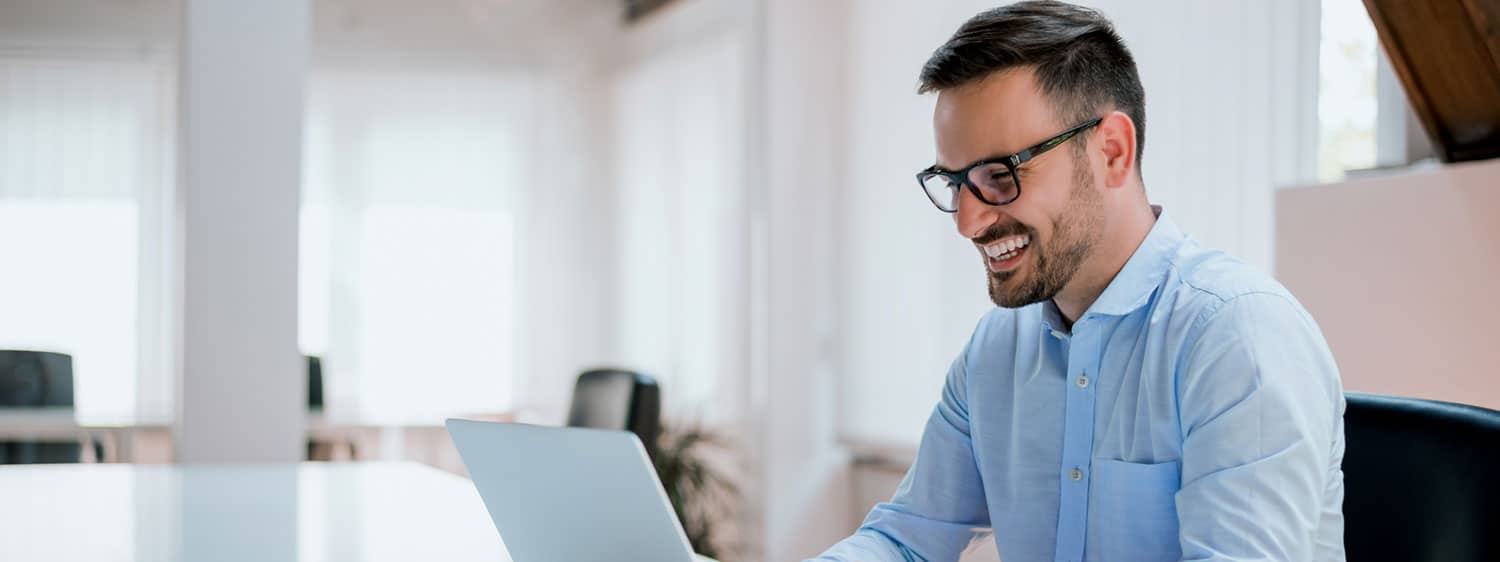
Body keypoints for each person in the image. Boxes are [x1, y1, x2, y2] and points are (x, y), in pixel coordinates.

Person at [808, 2, 1345, 561]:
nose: (968, 222)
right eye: (955, 183)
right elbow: (905, 541)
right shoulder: (997, 350)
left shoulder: (1237, 338)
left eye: (1000, 175)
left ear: (1111, 151)